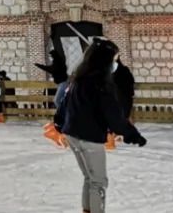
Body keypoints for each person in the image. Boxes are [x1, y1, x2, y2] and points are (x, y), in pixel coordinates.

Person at [52, 38, 146, 213]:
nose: (115, 63)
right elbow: (113, 115)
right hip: (89, 137)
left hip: (72, 133)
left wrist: (59, 121)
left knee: (89, 177)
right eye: (114, 59)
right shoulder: (100, 84)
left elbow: (64, 102)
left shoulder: (78, 78)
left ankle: (87, 210)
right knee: (98, 181)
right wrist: (131, 134)